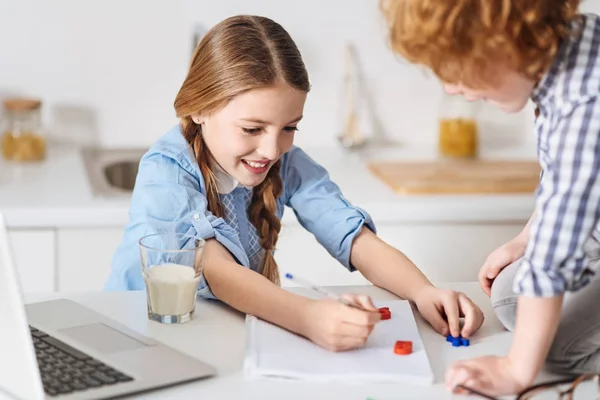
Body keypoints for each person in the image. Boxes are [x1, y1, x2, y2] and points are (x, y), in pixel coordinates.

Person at [105, 14, 484, 352]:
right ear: (200, 109)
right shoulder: (167, 169)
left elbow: (352, 236)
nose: (272, 149)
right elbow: (215, 270)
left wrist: (422, 291)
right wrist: (308, 318)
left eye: (289, 128)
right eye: (252, 128)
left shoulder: (287, 165)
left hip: (214, 338)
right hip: (136, 338)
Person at [379, 0, 600, 396]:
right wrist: (525, 239)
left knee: (554, 348)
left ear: (506, 43)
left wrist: (517, 370)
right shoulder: (569, 56)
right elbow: (566, 187)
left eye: (455, 68)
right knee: (511, 296)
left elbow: (553, 259)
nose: (451, 87)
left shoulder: (586, 100)